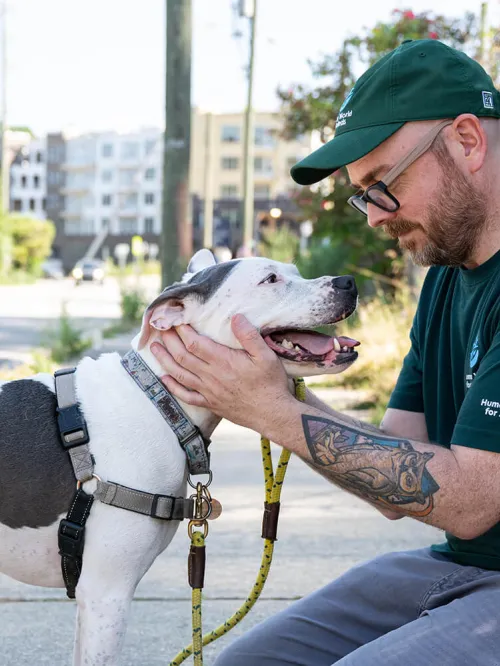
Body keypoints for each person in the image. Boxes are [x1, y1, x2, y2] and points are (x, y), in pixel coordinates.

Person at [151, 39, 500, 665]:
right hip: (466, 569)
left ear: (467, 141)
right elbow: (399, 471)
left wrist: (270, 411)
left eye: (381, 186)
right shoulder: (447, 277)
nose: (372, 218)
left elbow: (469, 501)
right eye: (362, 195)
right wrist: (278, 388)